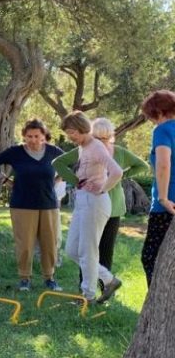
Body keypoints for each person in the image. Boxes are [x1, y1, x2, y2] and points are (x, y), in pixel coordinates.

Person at [53, 117, 148, 288]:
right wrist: (76, 181)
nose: (101, 141)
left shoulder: (119, 152)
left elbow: (139, 167)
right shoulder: (85, 148)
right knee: (85, 249)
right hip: (91, 200)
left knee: (103, 250)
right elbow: (59, 163)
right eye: (98, 137)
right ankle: (93, 285)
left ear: (110, 136)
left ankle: (103, 289)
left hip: (110, 206)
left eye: (105, 138)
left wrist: (116, 180)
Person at [0, 118, 64, 292]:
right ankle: (24, 279)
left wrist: (58, 180)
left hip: (48, 204)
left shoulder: (53, 152)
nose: (33, 139)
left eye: (37, 136)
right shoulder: (16, 152)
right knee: (25, 244)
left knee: (49, 243)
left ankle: (49, 278)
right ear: (24, 136)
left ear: (44, 136)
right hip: (22, 204)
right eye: (29, 136)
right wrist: (5, 180)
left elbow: (73, 165)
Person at [57, 111, 123, 304]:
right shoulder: (82, 147)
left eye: (72, 133)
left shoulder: (96, 147)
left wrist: (102, 188)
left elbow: (116, 171)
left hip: (95, 203)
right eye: (68, 133)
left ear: (82, 128)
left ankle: (87, 296)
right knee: (71, 250)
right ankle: (109, 279)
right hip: (83, 200)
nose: (70, 137)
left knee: (88, 251)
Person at [140, 90, 175, 286]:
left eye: (151, 116)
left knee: (151, 257)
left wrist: (162, 198)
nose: (152, 121)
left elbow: (163, 164)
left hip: (167, 205)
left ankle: (156, 309)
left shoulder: (162, 131)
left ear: (159, 112)